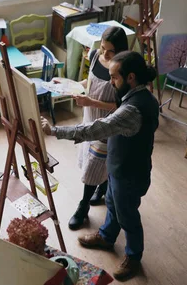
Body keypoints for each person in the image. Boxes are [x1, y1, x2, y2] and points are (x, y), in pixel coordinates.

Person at [41, 51, 159, 281]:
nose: (111, 82)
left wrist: (55, 130)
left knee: (128, 217)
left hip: (130, 174)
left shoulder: (132, 110)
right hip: (120, 167)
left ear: (131, 77)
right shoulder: (141, 96)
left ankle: (133, 257)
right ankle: (106, 236)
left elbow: (96, 128)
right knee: (113, 204)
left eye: (114, 78)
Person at [65, 26, 130, 230]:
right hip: (89, 118)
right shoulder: (94, 56)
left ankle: (82, 208)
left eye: (110, 51)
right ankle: (101, 188)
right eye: (103, 48)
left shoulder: (123, 68)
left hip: (108, 124)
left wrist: (91, 102)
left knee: (95, 164)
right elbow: (91, 81)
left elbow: (122, 106)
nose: (105, 54)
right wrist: (73, 85)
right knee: (95, 160)